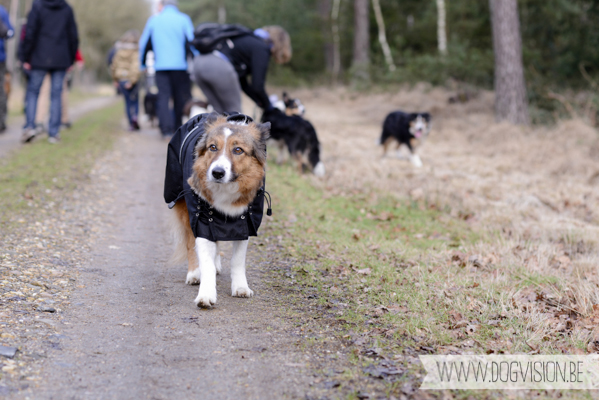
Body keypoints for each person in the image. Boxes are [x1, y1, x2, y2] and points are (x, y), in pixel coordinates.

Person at [192, 26, 292, 114]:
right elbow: (257, 86)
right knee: (234, 112)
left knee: (218, 111)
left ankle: (216, 135)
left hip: (198, 64)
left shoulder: (247, 39)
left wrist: (260, 102)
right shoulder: (261, 48)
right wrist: (269, 107)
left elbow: (243, 82)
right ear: (280, 43)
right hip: (218, 65)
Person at [19, 0, 79, 144]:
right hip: (61, 57)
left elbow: (30, 32)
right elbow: (73, 36)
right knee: (56, 95)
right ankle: (53, 133)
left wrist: (25, 57)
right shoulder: (66, 8)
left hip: (39, 56)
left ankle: (30, 127)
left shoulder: (37, 6)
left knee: (33, 92)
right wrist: (70, 59)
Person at [139, 0, 194, 137]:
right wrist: (196, 61)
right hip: (180, 67)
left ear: (162, 6)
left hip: (161, 67)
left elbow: (143, 44)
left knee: (163, 97)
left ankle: (165, 130)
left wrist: (143, 64)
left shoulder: (153, 20)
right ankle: (177, 129)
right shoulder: (184, 19)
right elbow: (192, 42)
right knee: (179, 98)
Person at [111, 30, 141, 131]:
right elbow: (135, 67)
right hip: (132, 80)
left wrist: (115, 79)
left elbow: (114, 66)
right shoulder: (135, 52)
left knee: (127, 102)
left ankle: (130, 123)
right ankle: (135, 118)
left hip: (122, 80)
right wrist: (132, 81)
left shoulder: (119, 51)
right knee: (135, 101)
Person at [0, 5, 14, 133]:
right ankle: (1, 122)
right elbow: (11, 32)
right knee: (1, 89)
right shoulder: (2, 11)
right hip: (0, 57)